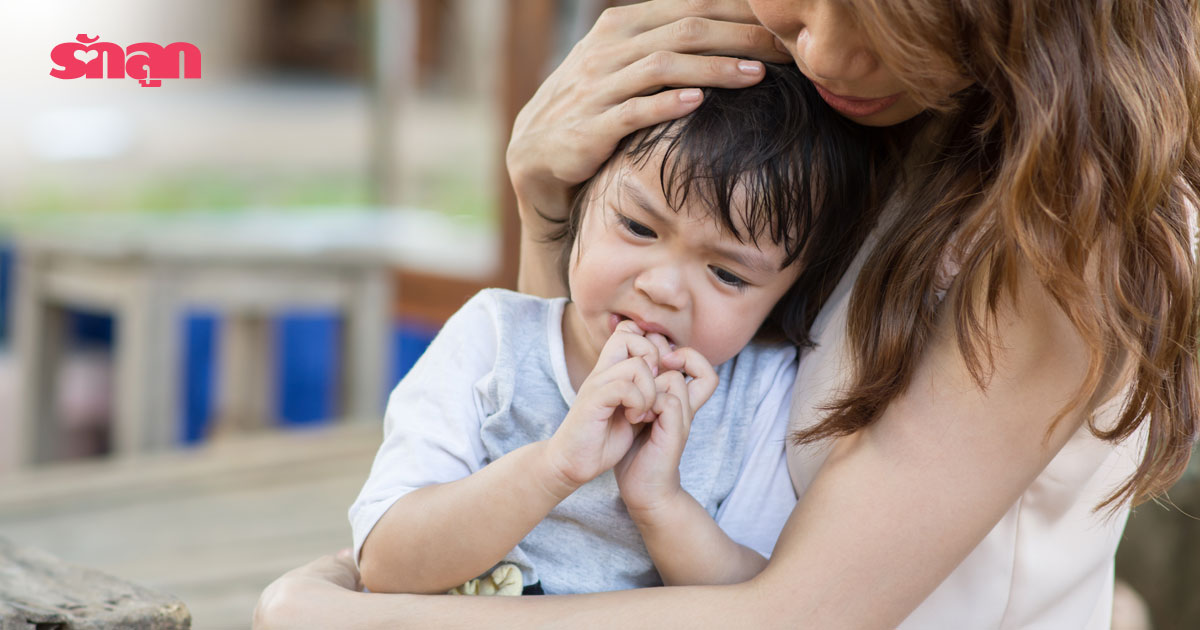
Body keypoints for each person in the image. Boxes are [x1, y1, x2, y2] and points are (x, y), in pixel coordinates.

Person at [255, 1, 1199, 627]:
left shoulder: (1073, 225)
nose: (824, 48)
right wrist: (552, 206)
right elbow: (565, 447)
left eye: (897, 16)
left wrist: (334, 610)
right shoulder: (792, 79)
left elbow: (800, 612)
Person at [351, 62, 892, 596]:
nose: (663, 288)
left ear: (786, 296)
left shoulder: (760, 396)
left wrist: (660, 504)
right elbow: (384, 562)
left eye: (726, 273)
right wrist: (555, 467)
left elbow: (764, 600)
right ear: (581, 198)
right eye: (637, 226)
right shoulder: (494, 340)